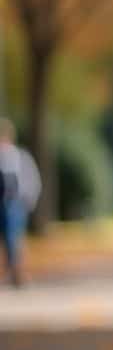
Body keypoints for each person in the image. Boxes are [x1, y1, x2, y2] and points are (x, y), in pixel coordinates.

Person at [0, 118, 40, 288]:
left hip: (15, 204)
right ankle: (11, 272)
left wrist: (28, 201)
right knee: (8, 239)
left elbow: (31, 180)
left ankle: (16, 273)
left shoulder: (20, 157)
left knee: (14, 239)